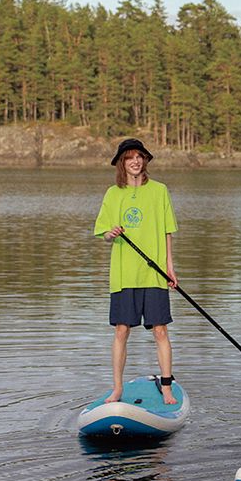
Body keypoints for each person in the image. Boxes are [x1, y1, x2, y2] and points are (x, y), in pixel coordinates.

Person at [94, 139, 178, 405]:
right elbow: (104, 234)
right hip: (123, 273)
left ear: (145, 160)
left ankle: (166, 387)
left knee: (160, 330)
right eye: (129, 157)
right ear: (122, 162)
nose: (135, 161)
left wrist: (170, 268)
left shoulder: (159, 191)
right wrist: (111, 232)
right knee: (121, 331)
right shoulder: (112, 193)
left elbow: (167, 232)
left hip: (153, 273)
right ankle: (117, 389)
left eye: (140, 156)